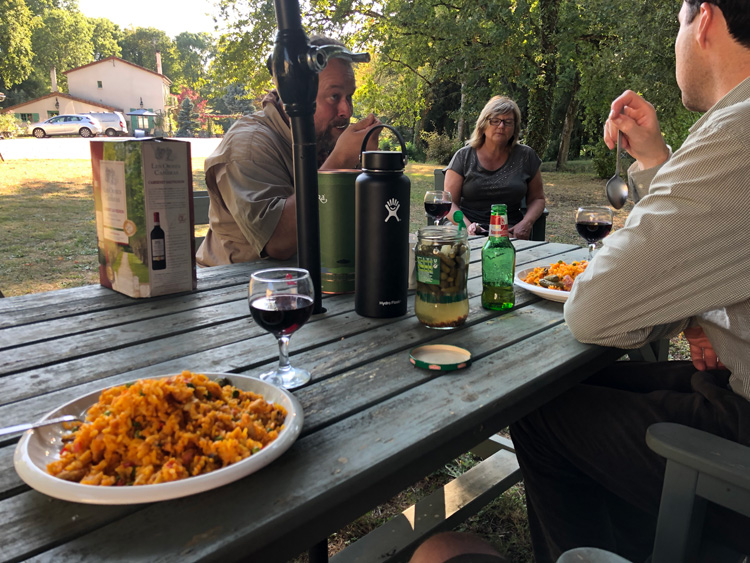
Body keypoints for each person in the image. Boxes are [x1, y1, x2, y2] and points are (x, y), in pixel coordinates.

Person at [508, 0, 750, 562]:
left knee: (540, 412)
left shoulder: (739, 132)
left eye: (677, 23)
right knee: (560, 393)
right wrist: (653, 161)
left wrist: (694, 311)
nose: (676, 41)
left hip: (740, 430)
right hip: (729, 380)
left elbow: (598, 311)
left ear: (705, 20)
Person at [196, 37, 381, 267]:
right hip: (237, 289)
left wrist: (369, 167)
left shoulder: (321, 139)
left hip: (314, 279)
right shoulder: (249, 145)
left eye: (349, 97)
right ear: (294, 96)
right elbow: (277, 241)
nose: (346, 110)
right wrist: (340, 161)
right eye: (334, 96)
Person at [443, 96, 545, 239]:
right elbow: (448, 202)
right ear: (483, 124)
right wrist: (467, 226)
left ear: (515, 128)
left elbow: (538, 199)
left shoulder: (526, 156)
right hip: (464, 228)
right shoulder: (463, 156)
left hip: (510, 231)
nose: (501, 126)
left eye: (508, 122)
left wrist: (526, 223)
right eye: (495, 121)